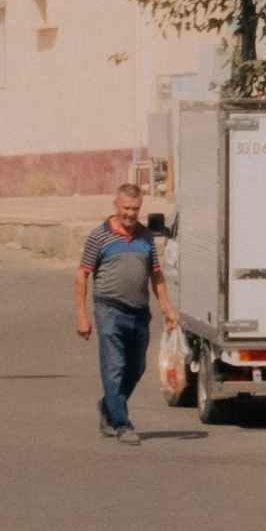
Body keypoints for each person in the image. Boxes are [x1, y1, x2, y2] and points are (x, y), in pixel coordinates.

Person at [74, 182, 172, 446]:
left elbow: (156, 275)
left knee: (137, 367)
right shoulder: (99, 236)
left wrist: (167, 309)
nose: (130, 214)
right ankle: (121, 424)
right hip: (109, 311)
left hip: (139, 313)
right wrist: (82, 316)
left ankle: (108, 405)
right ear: (116, 207)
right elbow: (82, 276)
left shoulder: (145, 237)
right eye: (126, 208)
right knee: (114, 367)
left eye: (135, 209)